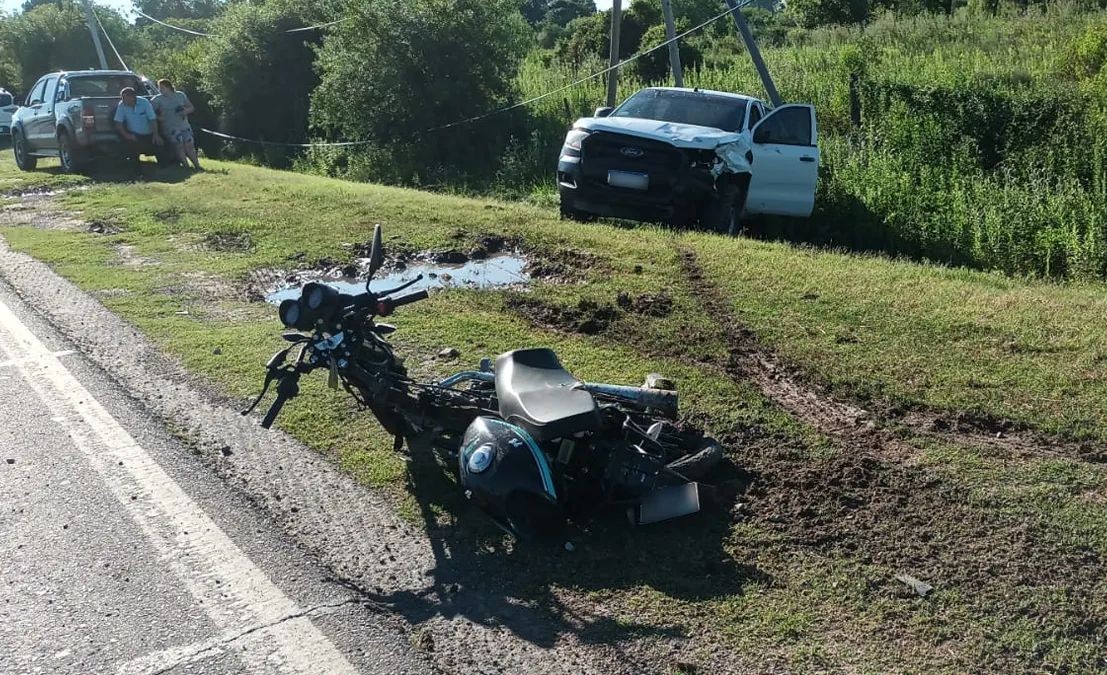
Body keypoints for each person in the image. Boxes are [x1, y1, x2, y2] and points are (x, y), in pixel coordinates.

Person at [151, 79, 200, 170]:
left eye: (162, 87)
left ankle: (197, 165)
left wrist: (185, 111)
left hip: (184, 125)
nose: (160, 89)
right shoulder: (157, 99)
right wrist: (159, 118)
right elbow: (150, 113)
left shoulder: (180, 95)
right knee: (179, 145)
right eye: (159, 88)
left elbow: (191, 107)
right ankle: (186, 166)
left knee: (189, 145)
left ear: (168, 87)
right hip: (170, 127)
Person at [113, 87, 162, 170]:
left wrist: (156, 135)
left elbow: (152, 119)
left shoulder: (144, 102)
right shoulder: (121, 105)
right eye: (122, 98)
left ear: (132, 97)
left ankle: (164, 168)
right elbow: (118, 122)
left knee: (159, 144)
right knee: (131, 149)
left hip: (149, 133)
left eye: (125, 98)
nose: (123, 100)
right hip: (134, 134)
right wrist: (127, 135)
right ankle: (136, 170)